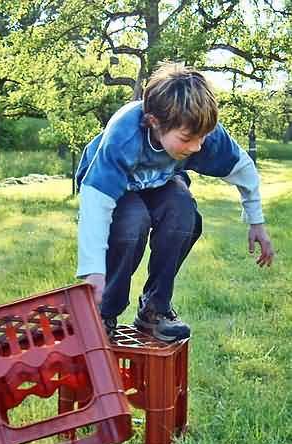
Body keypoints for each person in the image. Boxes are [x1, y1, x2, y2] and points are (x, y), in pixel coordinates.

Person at [75, 63, 274, 341]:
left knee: (182, 211)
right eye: (188, 139)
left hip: (159, 182)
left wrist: (256, 223)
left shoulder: (201, 131)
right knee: (133, 222)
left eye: (202, 137)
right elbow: (96, 203)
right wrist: (94, 270)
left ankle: (154, 311)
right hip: (112, 187)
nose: (197, 147)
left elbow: (244, 170)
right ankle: (104, 312)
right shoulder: (125, 136)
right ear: (154, 122)